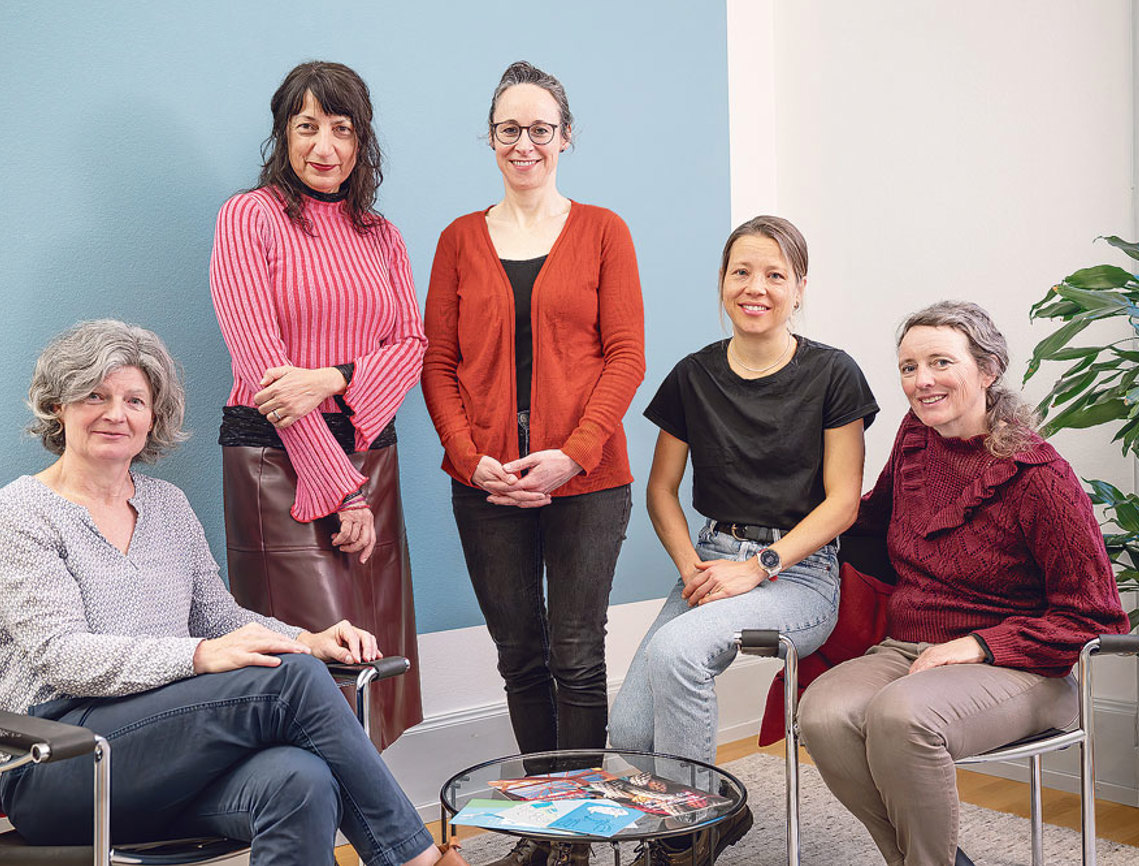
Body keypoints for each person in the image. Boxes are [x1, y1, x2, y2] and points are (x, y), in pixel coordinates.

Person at [0, 320, 467, 866]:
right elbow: (61, 657)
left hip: (168, 760)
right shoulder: (20, 512)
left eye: (135, 400)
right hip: (59, 761)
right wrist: (199, 656)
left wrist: (310, 638)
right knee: (289, 680)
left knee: (301, 780)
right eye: (95, 395)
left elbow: (217, 617)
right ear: (58, 405)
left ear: (152, 419)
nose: (116, 413)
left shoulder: (168, 505)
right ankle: (419, 860)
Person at [797, 301, 1131, 866]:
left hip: (1022, 667)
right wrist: (781, 546)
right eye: (908, 367)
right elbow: (871, 526)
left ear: (988, 369)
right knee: (823, 713)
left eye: (939, 362)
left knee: (901, 717)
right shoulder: (914, 440)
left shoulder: (1039, 478)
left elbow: (1096, 617)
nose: (921, 381)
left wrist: (977, 645)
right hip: (910, 649)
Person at [421, 61, 645, 866]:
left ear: (566, 136)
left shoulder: (605, 231)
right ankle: (540, 826)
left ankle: (579, 840)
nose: (525, 143)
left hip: (588, 483)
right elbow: (436, 365)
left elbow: (625, 357)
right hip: (484, 486)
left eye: (540, 128)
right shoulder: (456, 239)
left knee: (577, 657)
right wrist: (469, 458)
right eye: (509, 130)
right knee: (520, 656)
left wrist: (572, 455)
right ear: (490, 140)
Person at [609, 215, 878, 865]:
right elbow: (661, 490)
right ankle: (719, 814)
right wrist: (693, 567)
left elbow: (843, 502)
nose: (756, 287)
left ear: (800, 287)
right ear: (722, 284)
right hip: (710, 558)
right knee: (628, 728)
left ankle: (684, 838)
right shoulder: (694, 376)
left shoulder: (834, 374)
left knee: (677, 650)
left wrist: (760, 566)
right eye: (742, 272)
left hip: (801, 572)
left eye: (775, 275)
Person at [210, 60, 423, 749]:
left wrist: (332, 377)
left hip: (370, 454)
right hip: (278, 461)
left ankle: (373, 840)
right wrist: (344, 493)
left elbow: (412, 346)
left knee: (376, 663)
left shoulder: (381, 234)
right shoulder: (249, 217)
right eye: (307, 127)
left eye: (341, 128)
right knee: (312, 668)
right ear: (284, 134)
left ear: (362, 141)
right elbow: (267, 377)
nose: (324, 146)